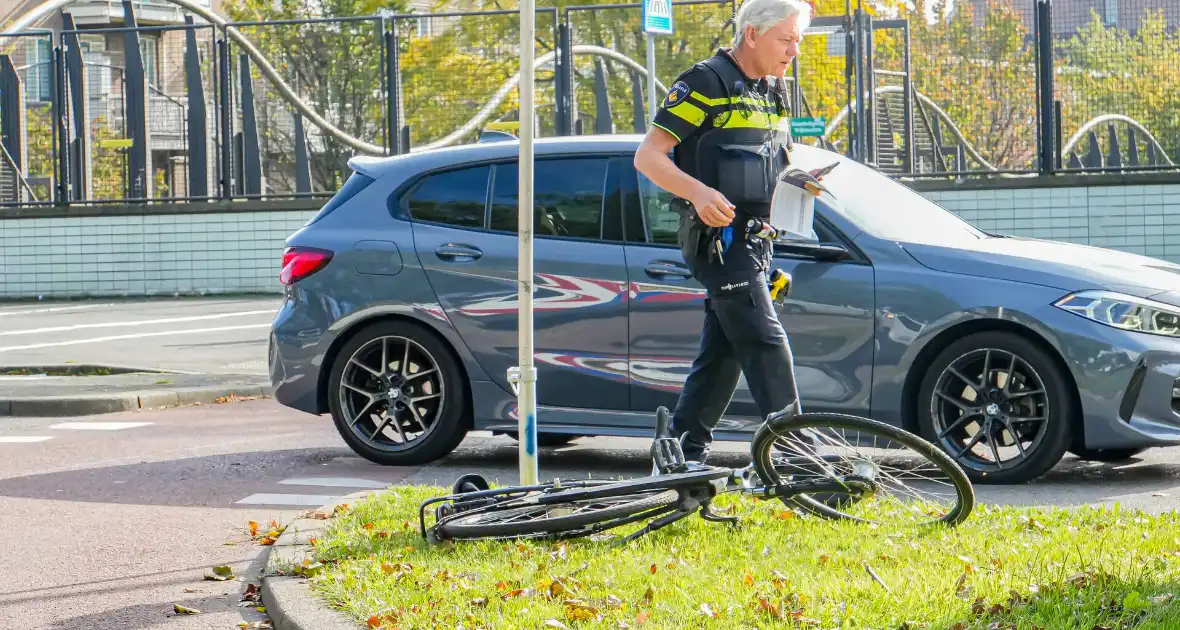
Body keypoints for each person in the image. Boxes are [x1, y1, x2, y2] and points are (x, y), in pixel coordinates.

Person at [634, 0, 811, 466]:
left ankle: (678, 454)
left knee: (724, 353)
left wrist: (800, 185)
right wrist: (697, 193)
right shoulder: (704, 82)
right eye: (786, 39)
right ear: (752, 34)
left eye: (798, 41)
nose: (794, 50)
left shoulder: (773, 89)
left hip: (757, 244)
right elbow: (649, 156)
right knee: (762, 338)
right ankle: (798, 457)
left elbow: (780, 161)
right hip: (719, 241)